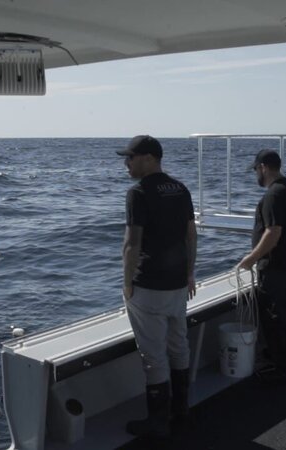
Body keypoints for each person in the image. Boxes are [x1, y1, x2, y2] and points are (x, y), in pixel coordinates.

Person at [118, 135, 197, 439]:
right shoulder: (180, 189)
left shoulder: (138, 192)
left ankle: (158, 422)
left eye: (130, 157)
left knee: (154, 355)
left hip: (148, 286)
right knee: (179, 346)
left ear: (149, 158)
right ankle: (182, 412)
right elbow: (191, 236)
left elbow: (131, 244)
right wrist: (190, 274)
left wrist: (127, 284)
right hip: (178, 284)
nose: (126, 163)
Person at [238, 149, 286, 383]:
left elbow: (273, 232)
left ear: (264, 167)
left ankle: (283, 368)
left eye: (256, 169)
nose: (256, 174)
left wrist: (250, 259)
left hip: (275, 268)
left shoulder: (273, 195)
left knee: (276, 318)